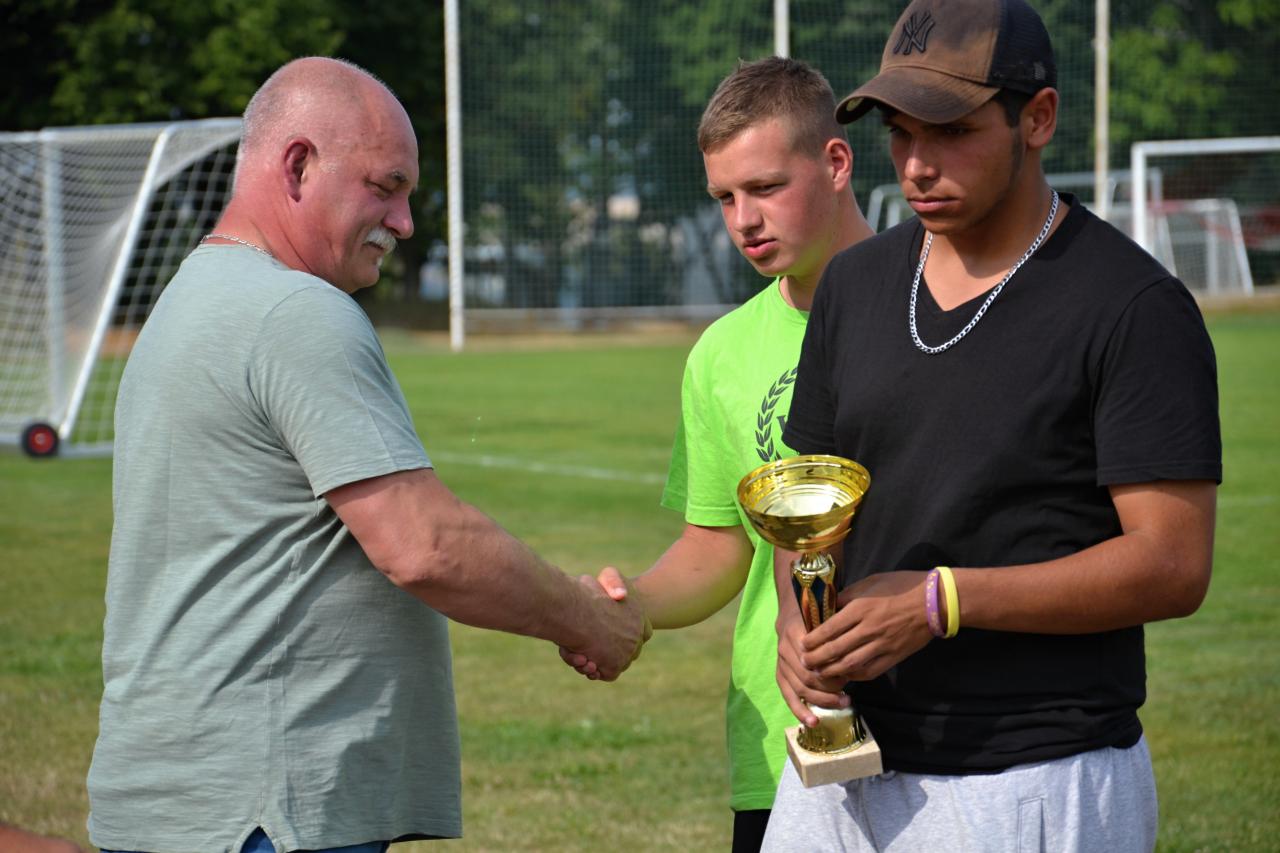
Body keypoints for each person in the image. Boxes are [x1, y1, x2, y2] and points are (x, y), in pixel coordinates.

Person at [86, 57, 650, 853]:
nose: (406, 221)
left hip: (184, 802)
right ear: (297, 165)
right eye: (386, 187)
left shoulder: (190, 298)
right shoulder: (294, 310)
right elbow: (426, 544)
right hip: (267, 809)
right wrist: (586, 619)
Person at [759, 1, 1221, 850]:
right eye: (900, 133)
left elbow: (1173, 563)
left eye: (953, 131)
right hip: (841, 773)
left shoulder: (1132, 305)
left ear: (1037, 119)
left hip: (1034, 772)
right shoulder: (854, 285)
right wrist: (798, 617)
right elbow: (808, 509)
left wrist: (943, 600)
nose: (916, 164)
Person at [562, 57, 874, 851]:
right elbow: (719, 544)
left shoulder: (931, 305)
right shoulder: (721, 353)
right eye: (724, 197)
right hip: (782, 740)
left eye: (765, 187)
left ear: (836, 162)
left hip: (940, 726)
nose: (744, 220)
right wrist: (633, 603)